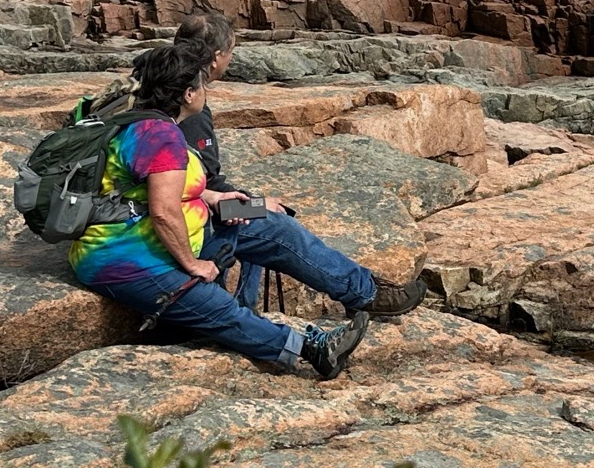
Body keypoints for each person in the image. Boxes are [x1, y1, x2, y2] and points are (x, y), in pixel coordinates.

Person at [67, 44, 374, 378]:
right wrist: (191, 264)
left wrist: (213, 197)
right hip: (126, 259)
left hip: (163, 238)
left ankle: (365, 291)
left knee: (270, 224)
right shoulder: (161, 137)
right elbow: (163, 212)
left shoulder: (143, 122)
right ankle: (311, 349)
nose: (207, 92)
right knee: (217, 306)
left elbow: (155, 189)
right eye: (203, 86)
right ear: (187, 94)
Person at [170, 11, 425, 319]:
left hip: (182, 204)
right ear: (216, 57)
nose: (231, 61)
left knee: (257, 209)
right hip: (189, 215)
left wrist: (249, 200)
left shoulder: (158, 81)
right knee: (276, 225)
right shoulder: (188, 107)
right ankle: (365, 293)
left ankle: (241, 305)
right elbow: (204, 183)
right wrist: (251, 204)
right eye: (231, 53)